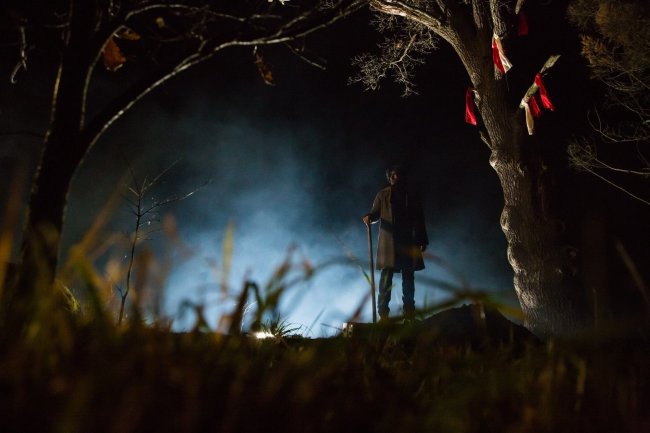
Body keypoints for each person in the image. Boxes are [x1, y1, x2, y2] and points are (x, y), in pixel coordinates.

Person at [362, 165, 428, 322]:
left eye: (397, 175)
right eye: (392, 175)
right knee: (386, 279)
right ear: (389, 178)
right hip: (388, 242)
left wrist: (421, 239)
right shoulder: (383, 194)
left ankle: (409, 314)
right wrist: (369, 217)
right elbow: (375, 213)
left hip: (407, 241)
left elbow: (419, 218)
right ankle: (383, 315)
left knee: (408, 279)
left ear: (402, 177)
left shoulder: (411, 194)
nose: (394, 178)